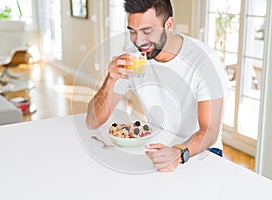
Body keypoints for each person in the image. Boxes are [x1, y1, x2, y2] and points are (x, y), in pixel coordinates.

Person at [86, 0, 228, 172]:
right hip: (157, 143)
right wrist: (111, 79)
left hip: (200, 151)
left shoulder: (204, 60)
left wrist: (178, 153)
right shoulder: (134, 59)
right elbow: (93, 121)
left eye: (147, 31)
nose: (139, 42)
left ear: (168, 25)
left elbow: (210, 131)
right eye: (133, 32)